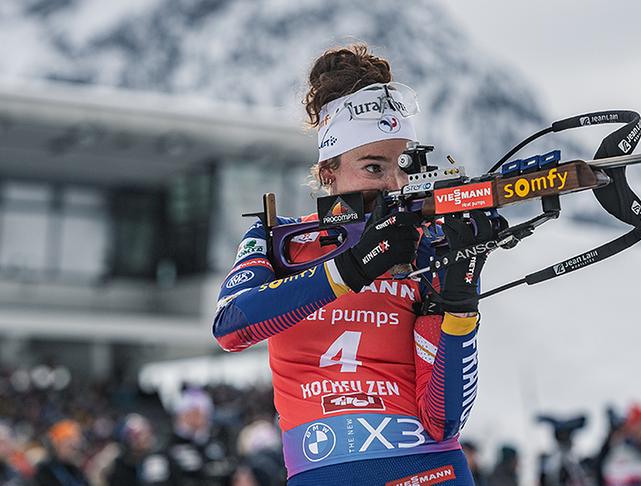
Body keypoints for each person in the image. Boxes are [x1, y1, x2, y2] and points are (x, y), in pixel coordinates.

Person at [212, 43, 494, 485]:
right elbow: (231, 326)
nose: (393, 184)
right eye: (373, 167)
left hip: (429, 471)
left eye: (403, 166)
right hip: (325, 469)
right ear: (329, 171)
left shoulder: (424, 244)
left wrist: (461, 306)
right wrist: (351, 269)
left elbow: (443, 419)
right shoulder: (280, 239)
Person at [164, 389, 233, 485]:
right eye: (190, 413)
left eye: (200, 413)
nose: (195, 418)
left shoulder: (219, 441)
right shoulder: (169, 444)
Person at [105, 413, 171, 486]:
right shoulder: (120, 465)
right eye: (136, 436)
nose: (143, 438)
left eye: (145, 432)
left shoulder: (162, 456)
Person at [34, 419, 90, 486]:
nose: (77, 448)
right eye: (71, 446)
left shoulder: (76, 471)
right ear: (57, 444)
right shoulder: (45, 472)